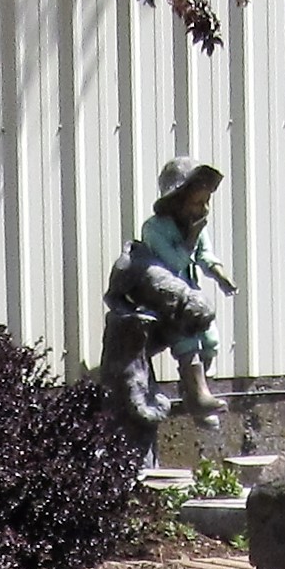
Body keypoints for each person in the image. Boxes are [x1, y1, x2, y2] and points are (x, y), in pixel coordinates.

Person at [100, 158, 234, 425]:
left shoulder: (196, 223)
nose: (203, 209)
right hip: (161, 298)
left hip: (190, 294)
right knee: (186, 337)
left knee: (211, 340)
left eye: (206, 202)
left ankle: (196, 390)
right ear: (177, 200)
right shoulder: (155, 228)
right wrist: (192, 238)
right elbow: (173, 263)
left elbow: (204, 255)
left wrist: (219, 273)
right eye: (197, 202)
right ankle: (197, 396)